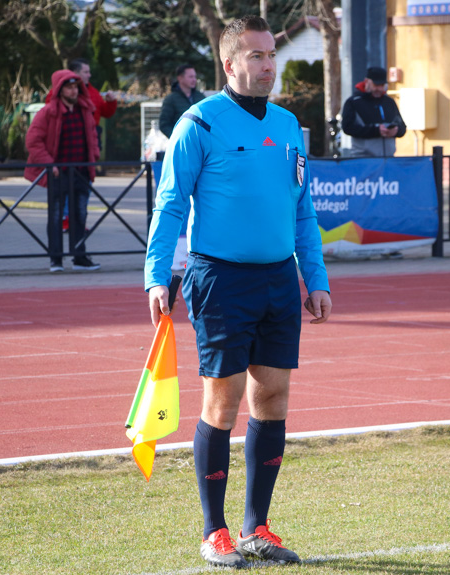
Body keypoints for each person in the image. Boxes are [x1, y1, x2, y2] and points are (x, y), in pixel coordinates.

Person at [144, 15, 332, 569]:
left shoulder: (290, 125)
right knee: (221, 404)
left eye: (271, 54)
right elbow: (170, 205)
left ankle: (257, 528)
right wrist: (158, 274)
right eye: (255, 55)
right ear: (229, 64)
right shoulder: (199, 123)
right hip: (220, 279)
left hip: (279, 277)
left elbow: (303, 211)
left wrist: (314, 278)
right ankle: (214, 531)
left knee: (272, 399)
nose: (267, 64)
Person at [25, 70, 101, 272]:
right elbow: (33, 141)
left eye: (76, 86)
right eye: (69, 87)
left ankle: (79, 257)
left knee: (80, 216)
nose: (74, 90)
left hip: (82, 173)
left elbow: (92, 136)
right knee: (57, 216)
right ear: (59, 90)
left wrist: (95, 156)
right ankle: (56, 260)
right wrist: (50, 164)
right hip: (59, 174)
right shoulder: (48, 112)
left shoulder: (85, 110)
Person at [50, 58, 117, 231]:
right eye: (86, 72)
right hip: (67, 143)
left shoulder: (93, 92)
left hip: (89, 139)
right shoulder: (58, 94)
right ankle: (66, 219)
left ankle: (78, 219)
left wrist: (111, 102)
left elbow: (105, 113)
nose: (89, 75)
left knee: (83, 184)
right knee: (65, 184)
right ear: (75, 73)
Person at [340, 66, 407, 157]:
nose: (379, 89)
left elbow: (402, 126)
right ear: (367, 81)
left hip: (388, 158)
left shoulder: (389, 102)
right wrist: (375, 130)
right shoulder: (353, 102)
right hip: (364, 159)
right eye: (376, 85)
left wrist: (396, 131)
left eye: (382, 85)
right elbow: (347, 127)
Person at [159, 64, 206, 138]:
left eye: (195, 76)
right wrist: (177, 138)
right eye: (190, 77)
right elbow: (164, 124)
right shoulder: (171, 99)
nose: (194, 80)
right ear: (180, 78)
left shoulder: (200, 97)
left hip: (200, 142)